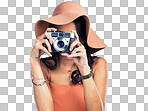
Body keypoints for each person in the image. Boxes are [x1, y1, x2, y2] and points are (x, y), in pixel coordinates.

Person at [29, 1, 108, 111]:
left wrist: (84, 68)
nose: (65, 42)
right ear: (51, 35)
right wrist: (34, 60)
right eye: (60, 35)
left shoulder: (98, 64)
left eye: (71, 36)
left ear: (83, 38)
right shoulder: (43, 66)